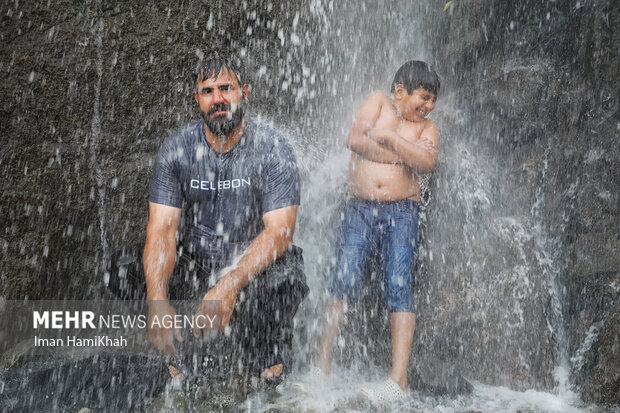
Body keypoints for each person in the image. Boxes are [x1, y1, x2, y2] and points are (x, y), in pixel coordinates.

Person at [109, 54, 308, 381]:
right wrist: (156, 299)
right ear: (197, 98)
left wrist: (229, 286)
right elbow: (162, 229)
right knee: (120, 270)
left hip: (250, 267)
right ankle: (178, 350)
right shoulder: (177, 149)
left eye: (226, 88)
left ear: (244, 91)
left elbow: (279, 233)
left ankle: (266, 356)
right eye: (207, 91)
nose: (218, 99)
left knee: (285, 279)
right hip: (198, 262)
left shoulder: (273, 147)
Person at [306, 61, 440, 403]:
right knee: (343, 278)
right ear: (400, 91)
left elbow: (425, 164)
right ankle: (320, 369)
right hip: (359, 210)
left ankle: (398, 380)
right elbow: (353, 139)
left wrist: (392, 139)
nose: (428, 105)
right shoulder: (378, 102)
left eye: (432, 100)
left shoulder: (428, 129)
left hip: (403, 213)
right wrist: (400, 156)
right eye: (423, 97)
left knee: (399, 285)